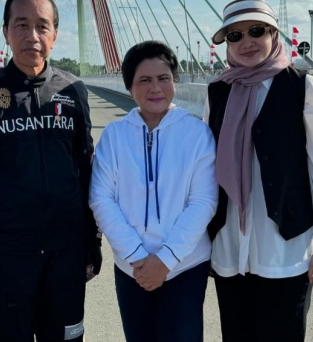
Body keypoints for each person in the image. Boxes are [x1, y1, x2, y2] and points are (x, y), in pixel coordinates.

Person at [0, 0, 101, 342]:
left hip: (65, 255)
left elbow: (87, 174)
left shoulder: (74, 91)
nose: (32, 35)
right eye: (21, 25)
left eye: (42, 26)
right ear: (5, 32)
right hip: (5, 258)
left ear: (55, 34)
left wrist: (92, 242)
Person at [205, 0, 313, 342]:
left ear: (274, 34)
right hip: (229, 252)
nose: (246, 42)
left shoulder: (303, 88)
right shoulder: (218, 92)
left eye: (256, 31)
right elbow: (206, 170)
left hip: (285, 250)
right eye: (235, 36)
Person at [89, 41, 218, 342]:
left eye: (163, 78)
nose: (155, 88)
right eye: (144, 80)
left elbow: (203, 201)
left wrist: (165, 261)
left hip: (185, 266)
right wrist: (137, 257)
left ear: (175, 80)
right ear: (129, 87)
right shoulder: (114, 136)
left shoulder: (197, 134)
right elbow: (101, 198)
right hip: (131, 267)